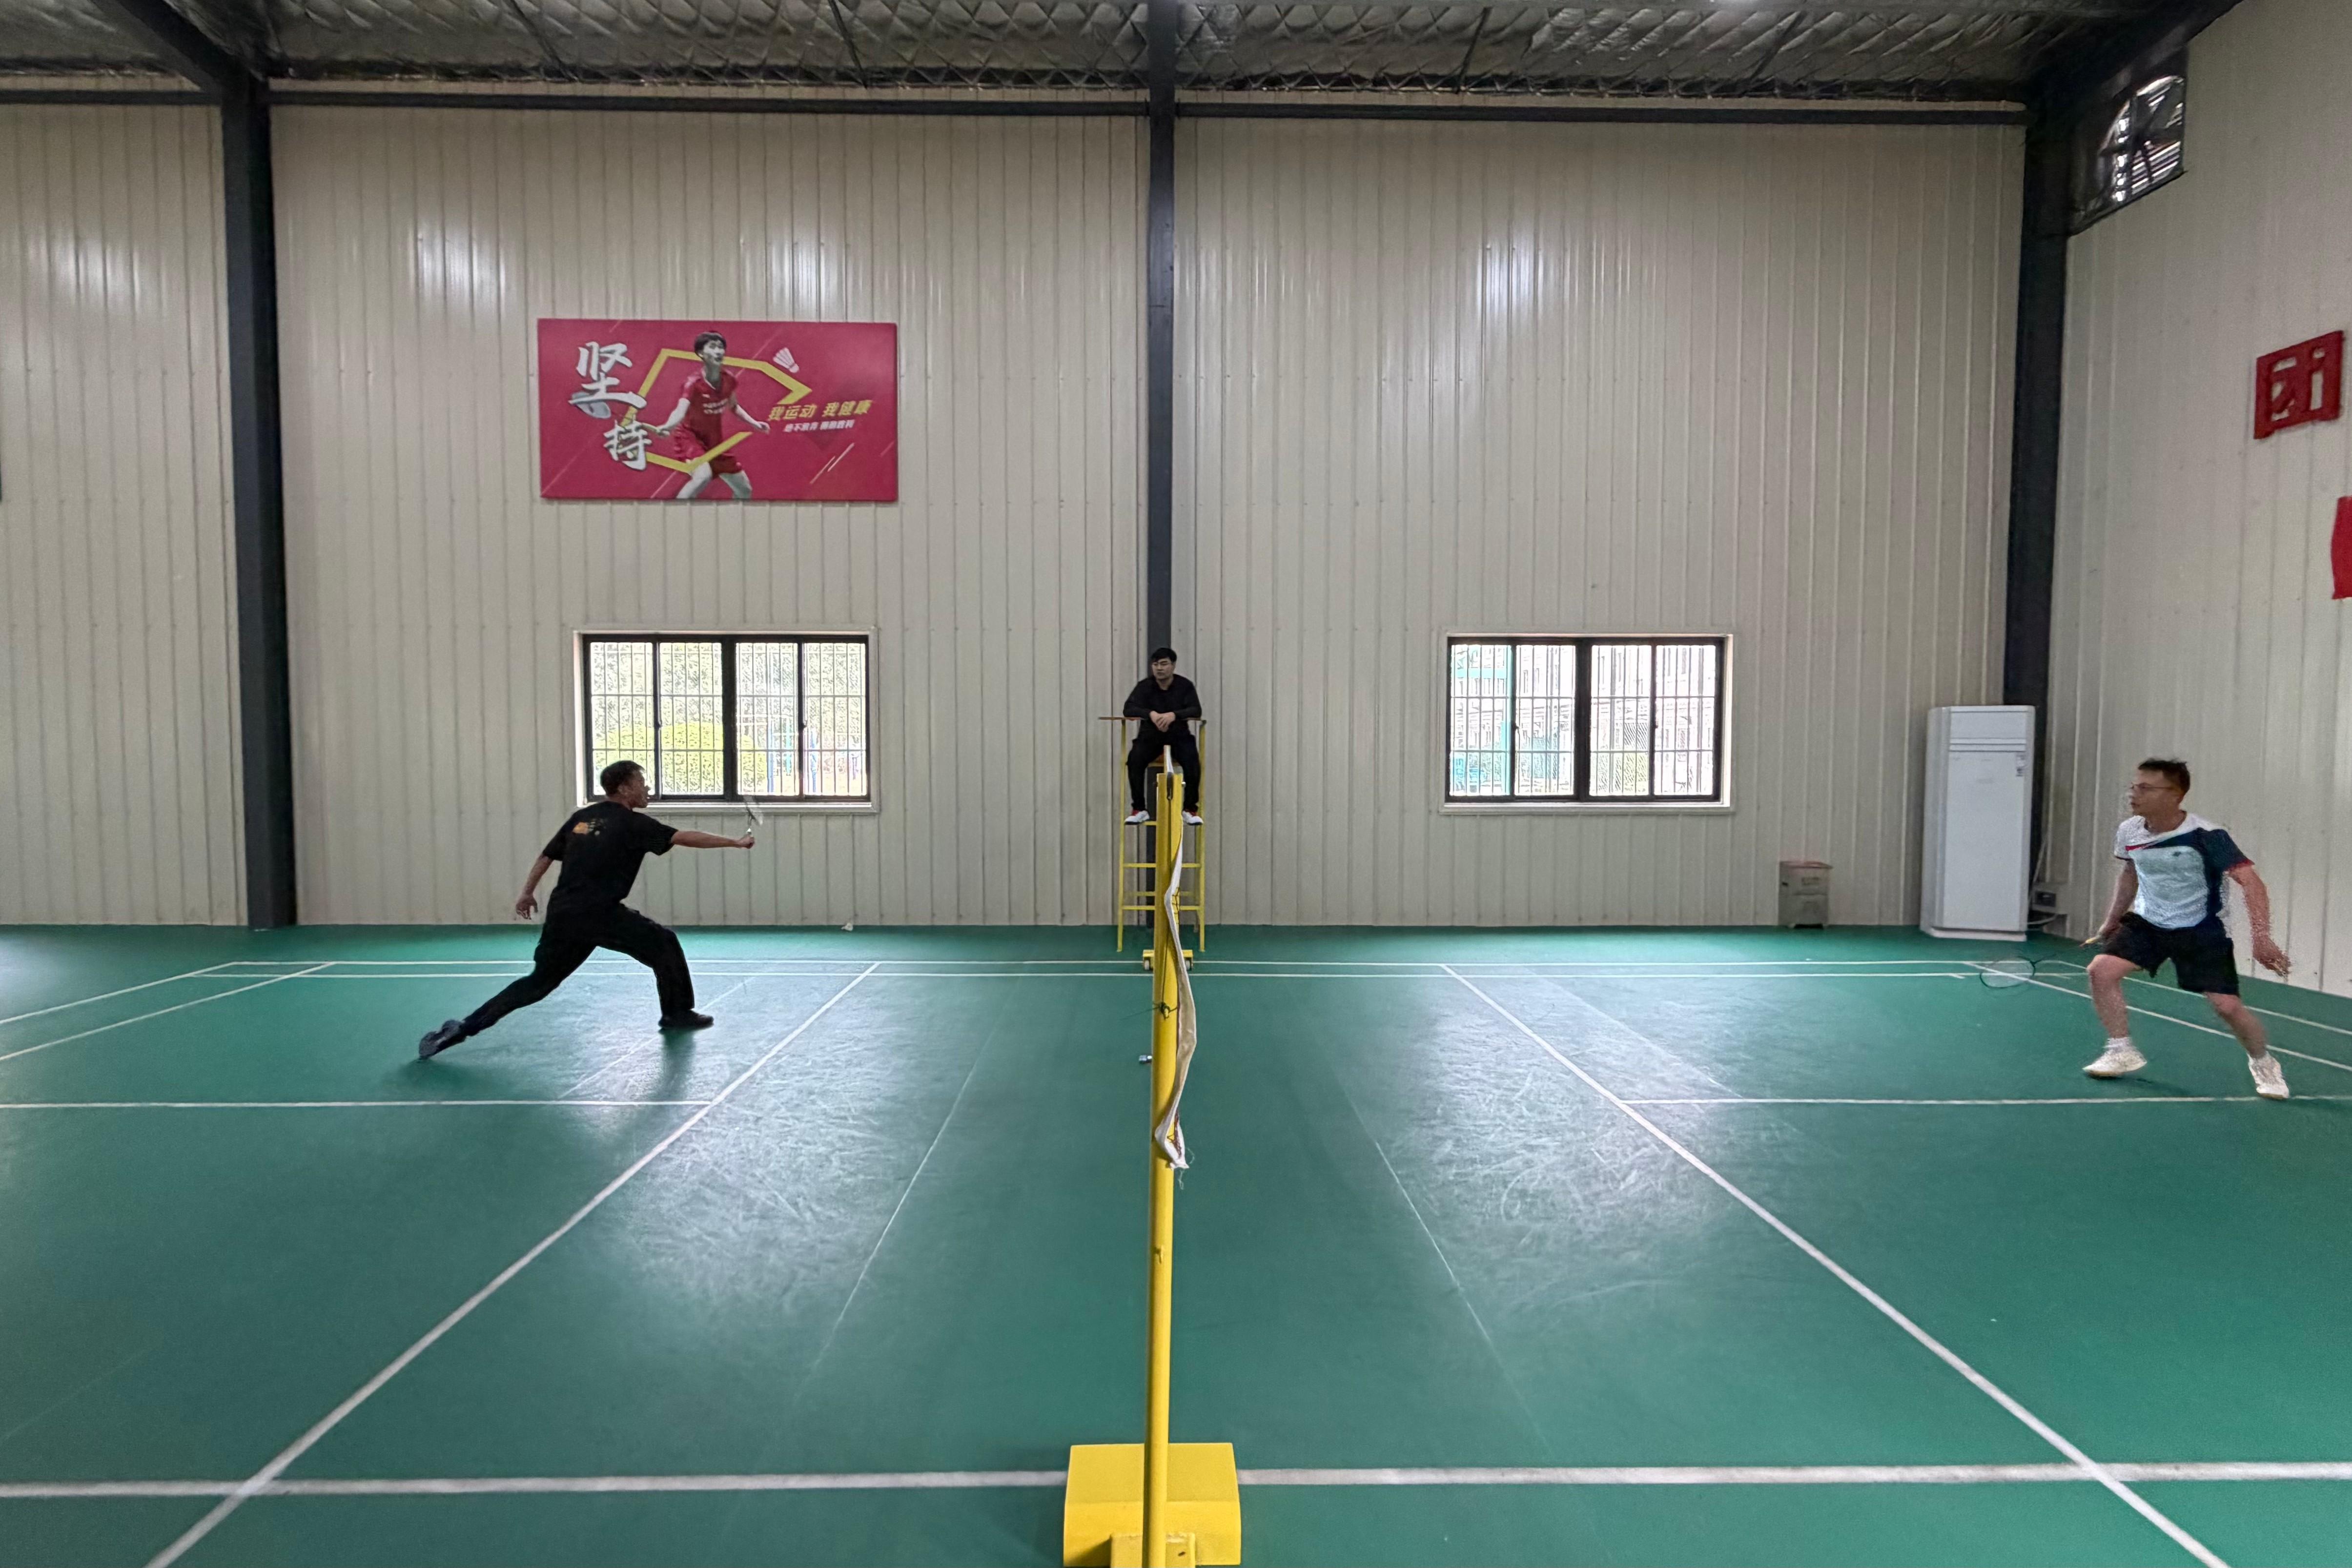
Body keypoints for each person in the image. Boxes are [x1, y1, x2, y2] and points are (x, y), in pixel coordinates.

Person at [417, 760, 754, 1059]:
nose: (647, 788)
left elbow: (547, 855)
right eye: (641, 782)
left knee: (538, 983)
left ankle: (463, 1027)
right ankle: (677, 1013)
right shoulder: (633, 823)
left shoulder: (583, 819)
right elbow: (684, 837)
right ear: (624, 788)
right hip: (599, 913)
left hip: (563, 913)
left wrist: (527, 892)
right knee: (664, 943)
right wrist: (734, 842)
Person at [2080, 757, 2293, 1098]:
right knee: (2101, 971)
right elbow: (2130, 873)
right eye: (2134, 786)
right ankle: (2120, 1049)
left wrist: (2261, 937)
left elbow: (2251, 883)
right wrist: (2112, 920)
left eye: (2145, 788)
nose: (2133, 794)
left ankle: (2263, 1062)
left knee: (2227, 1007)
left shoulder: (2207, 836)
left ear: (2175, 795)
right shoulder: (2130, 831)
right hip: (2149, 922)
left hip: (2200, 928)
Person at [648, 330, 769, 500]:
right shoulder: (693, 384)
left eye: (720, 347)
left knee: (745, 491)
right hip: (690, 439)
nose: (718, 351)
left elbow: (734, 406)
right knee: (702, 477)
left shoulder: (729, 379)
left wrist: (755, 423)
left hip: (715, 443)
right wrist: (668, 426)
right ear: (701, 353)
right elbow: (680, 410)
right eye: (712, 347)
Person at [1123, 646, 1204, 826]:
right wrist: (1151, 714)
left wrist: (1174, 715)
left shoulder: (1185, 686)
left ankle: (1190, 809)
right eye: (1155, 664)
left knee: (1192, 760)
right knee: (1135, 760)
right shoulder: (1144, 686)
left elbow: (1196, 710)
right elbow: (1129, 709)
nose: (1159, 668)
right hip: (1150, 737)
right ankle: (1139, 809)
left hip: (1179, 736)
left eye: (1164, 664)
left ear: (1173, 665)